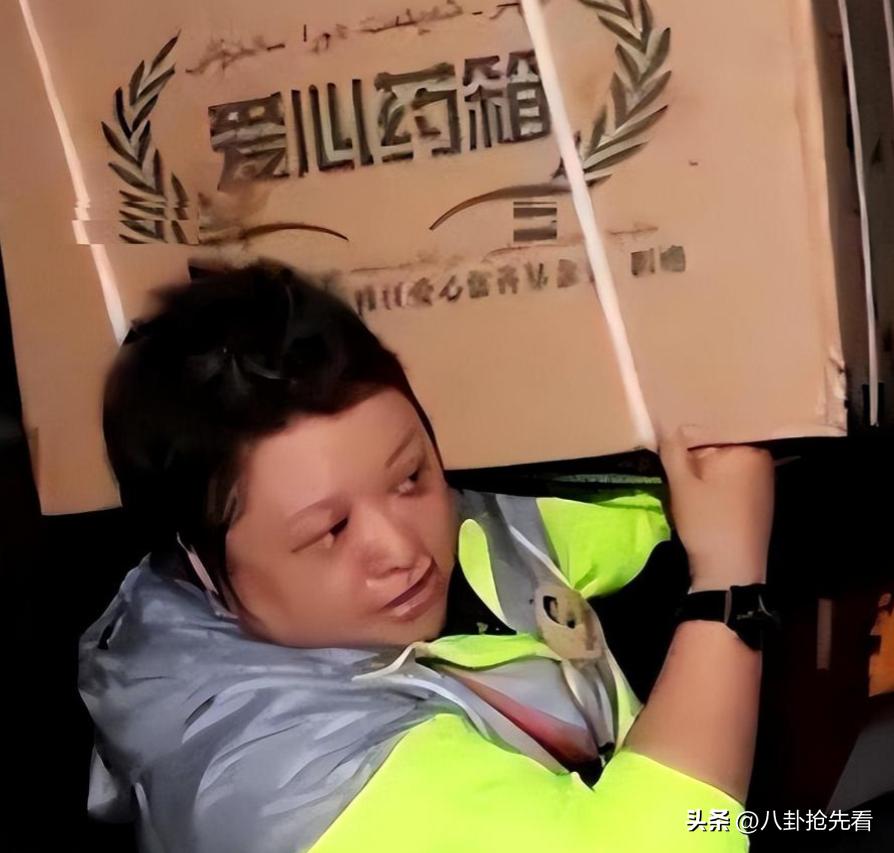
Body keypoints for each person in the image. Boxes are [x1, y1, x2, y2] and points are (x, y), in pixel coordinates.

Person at [80, 261, 775, 852]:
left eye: (410, 475)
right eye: (331, 530)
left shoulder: (431, 525)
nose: (403, 550)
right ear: (203, 569)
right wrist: (729, 587)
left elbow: (591, 519)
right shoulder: (282, 782)